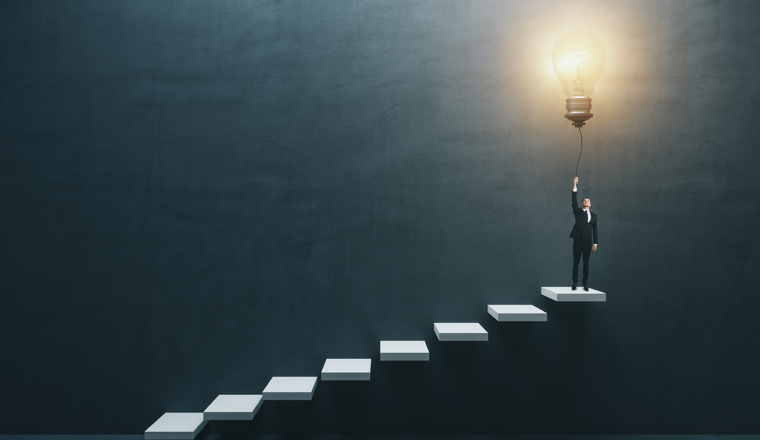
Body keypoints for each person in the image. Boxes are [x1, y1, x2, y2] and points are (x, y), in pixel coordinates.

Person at [570, 176, 598, 291]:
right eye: (584, 200)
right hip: (577, 241)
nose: (586, 201)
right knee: (576, 262)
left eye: (588, 201)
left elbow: (595, 229)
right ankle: (575, 282)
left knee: (586, 263)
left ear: (590, 204)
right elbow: (573, 200)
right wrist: (575, 185)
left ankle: (585, 283)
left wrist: (595, 243)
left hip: (588, 242)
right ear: (582, 203)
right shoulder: (578, 212)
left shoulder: (594, 215)